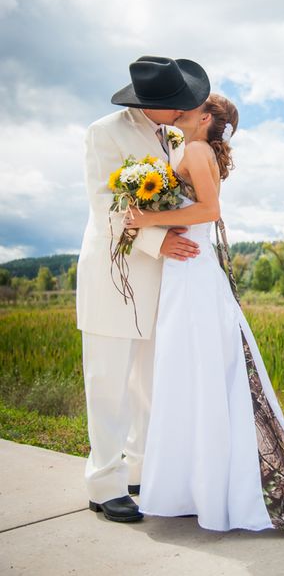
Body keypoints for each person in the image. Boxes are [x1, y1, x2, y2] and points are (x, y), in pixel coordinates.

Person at [123, 94, 284, 538]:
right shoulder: (193, 150)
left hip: (193, 271)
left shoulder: (196, 151)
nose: (184, 107)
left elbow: (209, 210)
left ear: (206, 119)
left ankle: (204, 491)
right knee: (194, 375)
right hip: (190, 268)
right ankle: (197, 489)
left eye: (195, 105)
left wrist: (147, 217)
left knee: (192, 372)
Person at [76, 56, 210, 522]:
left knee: (150, 384)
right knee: (108, 384)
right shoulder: (103, 132)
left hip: (161, 282)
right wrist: (159, 239)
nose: (185, 109)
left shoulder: (171, 135)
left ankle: (140, 470)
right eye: (177, 103)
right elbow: (105, 207)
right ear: (154, 103)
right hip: (113, 278)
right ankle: (105, 483)